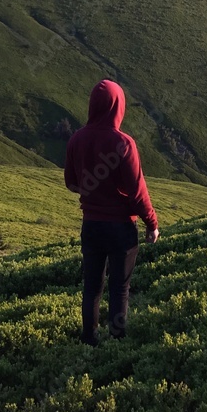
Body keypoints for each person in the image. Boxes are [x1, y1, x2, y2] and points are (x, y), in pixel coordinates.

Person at [64, 79, 159, 346]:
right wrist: (151, 223)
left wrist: (93, 193)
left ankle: (88, 340)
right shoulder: (124, 143)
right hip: (120, 229)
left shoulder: (77, 139)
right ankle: (117, 343)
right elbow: (137, 191)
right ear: (118, 106)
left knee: (92, 287)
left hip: (91, 225)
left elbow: (71, 183)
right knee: (120, 288)